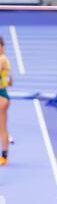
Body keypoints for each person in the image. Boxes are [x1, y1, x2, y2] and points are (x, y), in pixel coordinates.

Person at [0, 37, 12, 166]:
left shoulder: (2, 59)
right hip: (4, 94)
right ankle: (4, 156)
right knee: (2, 127)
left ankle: (4, 156)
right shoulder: (5, 60)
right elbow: (10, 81)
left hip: (1, 97)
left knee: (2, 127)